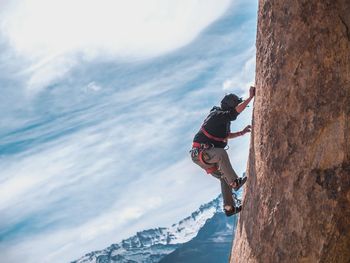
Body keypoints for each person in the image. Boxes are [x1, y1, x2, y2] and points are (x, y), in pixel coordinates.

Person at [190, 86, 255, 216]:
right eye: (236, 104)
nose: (237, 107)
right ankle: (235, 182)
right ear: (230, 106)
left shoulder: (221, 120)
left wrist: (241, 133)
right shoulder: (216, 116)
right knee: (221, 154)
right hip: (202, 153)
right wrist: (250, 98)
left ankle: (229, 208)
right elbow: (234, 113)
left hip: (203, 155)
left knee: (224, 178)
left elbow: (225, 136)